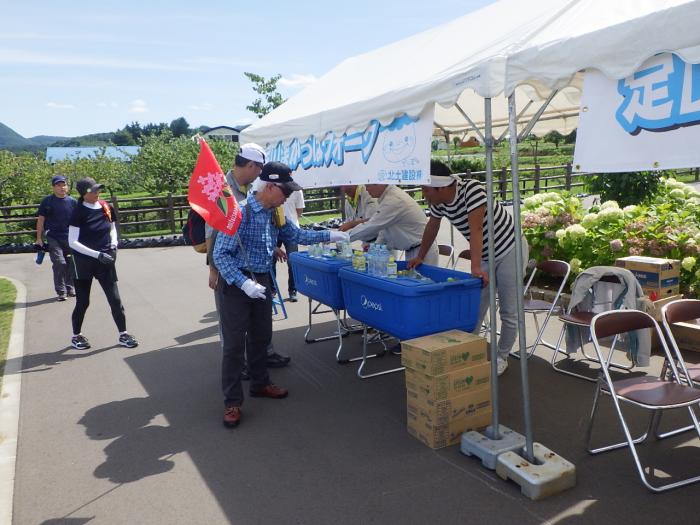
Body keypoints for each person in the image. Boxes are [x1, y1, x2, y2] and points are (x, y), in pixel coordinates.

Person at [213, 161, 349, 428]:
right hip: (238, 283)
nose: (287, 197)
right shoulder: (239, 212)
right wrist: (243, 283)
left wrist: (331, 235)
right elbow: (220, 255)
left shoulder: (274, 212)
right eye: (285, 192)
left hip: (262, 279)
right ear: (270, 186)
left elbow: (295, 235)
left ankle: (260, 383)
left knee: (262, 336)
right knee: (234, 345)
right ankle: (232, 402)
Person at [407, 160, 526, 376]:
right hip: (486, 254)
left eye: (425, 189)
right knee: (475, 307)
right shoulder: (438, 202)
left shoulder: (472, 190)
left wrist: (475, 267)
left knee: (509, 311)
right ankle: (469, 352)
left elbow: (476, 228)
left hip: (511, 248)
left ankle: (501, 357)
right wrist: (420, 257)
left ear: (440, 187)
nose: (423, 194)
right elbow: (432, 227)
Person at [205, 143, 291, 372]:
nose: (260, 174)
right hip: (229, 267)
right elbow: (213, 232)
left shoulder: (252, 186)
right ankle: (238, 365)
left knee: (260, 320)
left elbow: (257, 226)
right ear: (251, 164)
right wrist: (214, 268)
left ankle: (263, 357)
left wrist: (270, 246)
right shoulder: (220, 189)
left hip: (257, 265)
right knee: (232, 326)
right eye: (259, 168)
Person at [67, 177, 138, 350]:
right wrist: (97, 254)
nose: (97, 193)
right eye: (93, 190)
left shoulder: (106, 206)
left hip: (105, 259)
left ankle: (123, 333)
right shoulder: (77, 212)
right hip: (83, 261)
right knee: (83, 301)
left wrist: (114, 245)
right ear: (84, 194)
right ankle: (76, 335)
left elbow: (112, 228)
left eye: (98, 189)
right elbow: (72, 242)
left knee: (115, 299)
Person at [347, 183, 439, 265]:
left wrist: (344, 237)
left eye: (368, 186)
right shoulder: (387, 197)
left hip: (422, 250)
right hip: (413, 249)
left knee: (422, 282)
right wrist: (374, 247)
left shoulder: (393, 200)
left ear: (379, 184)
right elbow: (384, 230)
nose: (366, 190)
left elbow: (371, 226)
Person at [36, 175, 78, 301]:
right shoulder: (47, 201)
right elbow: (41, 219)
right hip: (53, 236)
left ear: (67, 186)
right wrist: (39, 238)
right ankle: (61, 291)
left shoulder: (73, 202)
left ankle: (70, 288)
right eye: (58, 185)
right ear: (53, 187)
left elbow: (79, 220)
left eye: (63, 184)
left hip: (70, 237)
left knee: (70, 263)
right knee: (60, 262)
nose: (62, 187)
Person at [274, 189, 305, 302]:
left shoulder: (297, 190)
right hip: (274, 228)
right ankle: (272, 291)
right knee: (271, 260)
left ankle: (293, 290)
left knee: (292, 261)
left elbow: (299, 211)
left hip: (291, 229)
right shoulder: (272, 186)